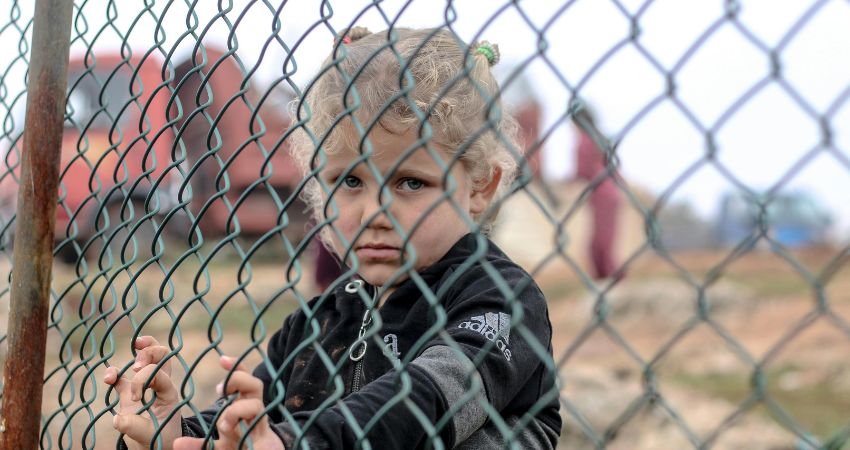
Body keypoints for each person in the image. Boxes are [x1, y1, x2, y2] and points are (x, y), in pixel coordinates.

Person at [104, 26, 561, 449]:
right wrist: (180, 430)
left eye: (411, 183)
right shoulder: (322, 317)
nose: (374, 214)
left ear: (480, 185)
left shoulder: (500, 299)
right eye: (350, 181)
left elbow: (425, 403)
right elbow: (256, 425)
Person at [573, 104, 622, 281]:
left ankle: (608, 277)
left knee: (599, 242)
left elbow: (581, 172)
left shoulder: (583, 141)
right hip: (613, 190)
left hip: (600, 192)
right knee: (607, 237)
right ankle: (610, 278)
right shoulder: (601, 137)